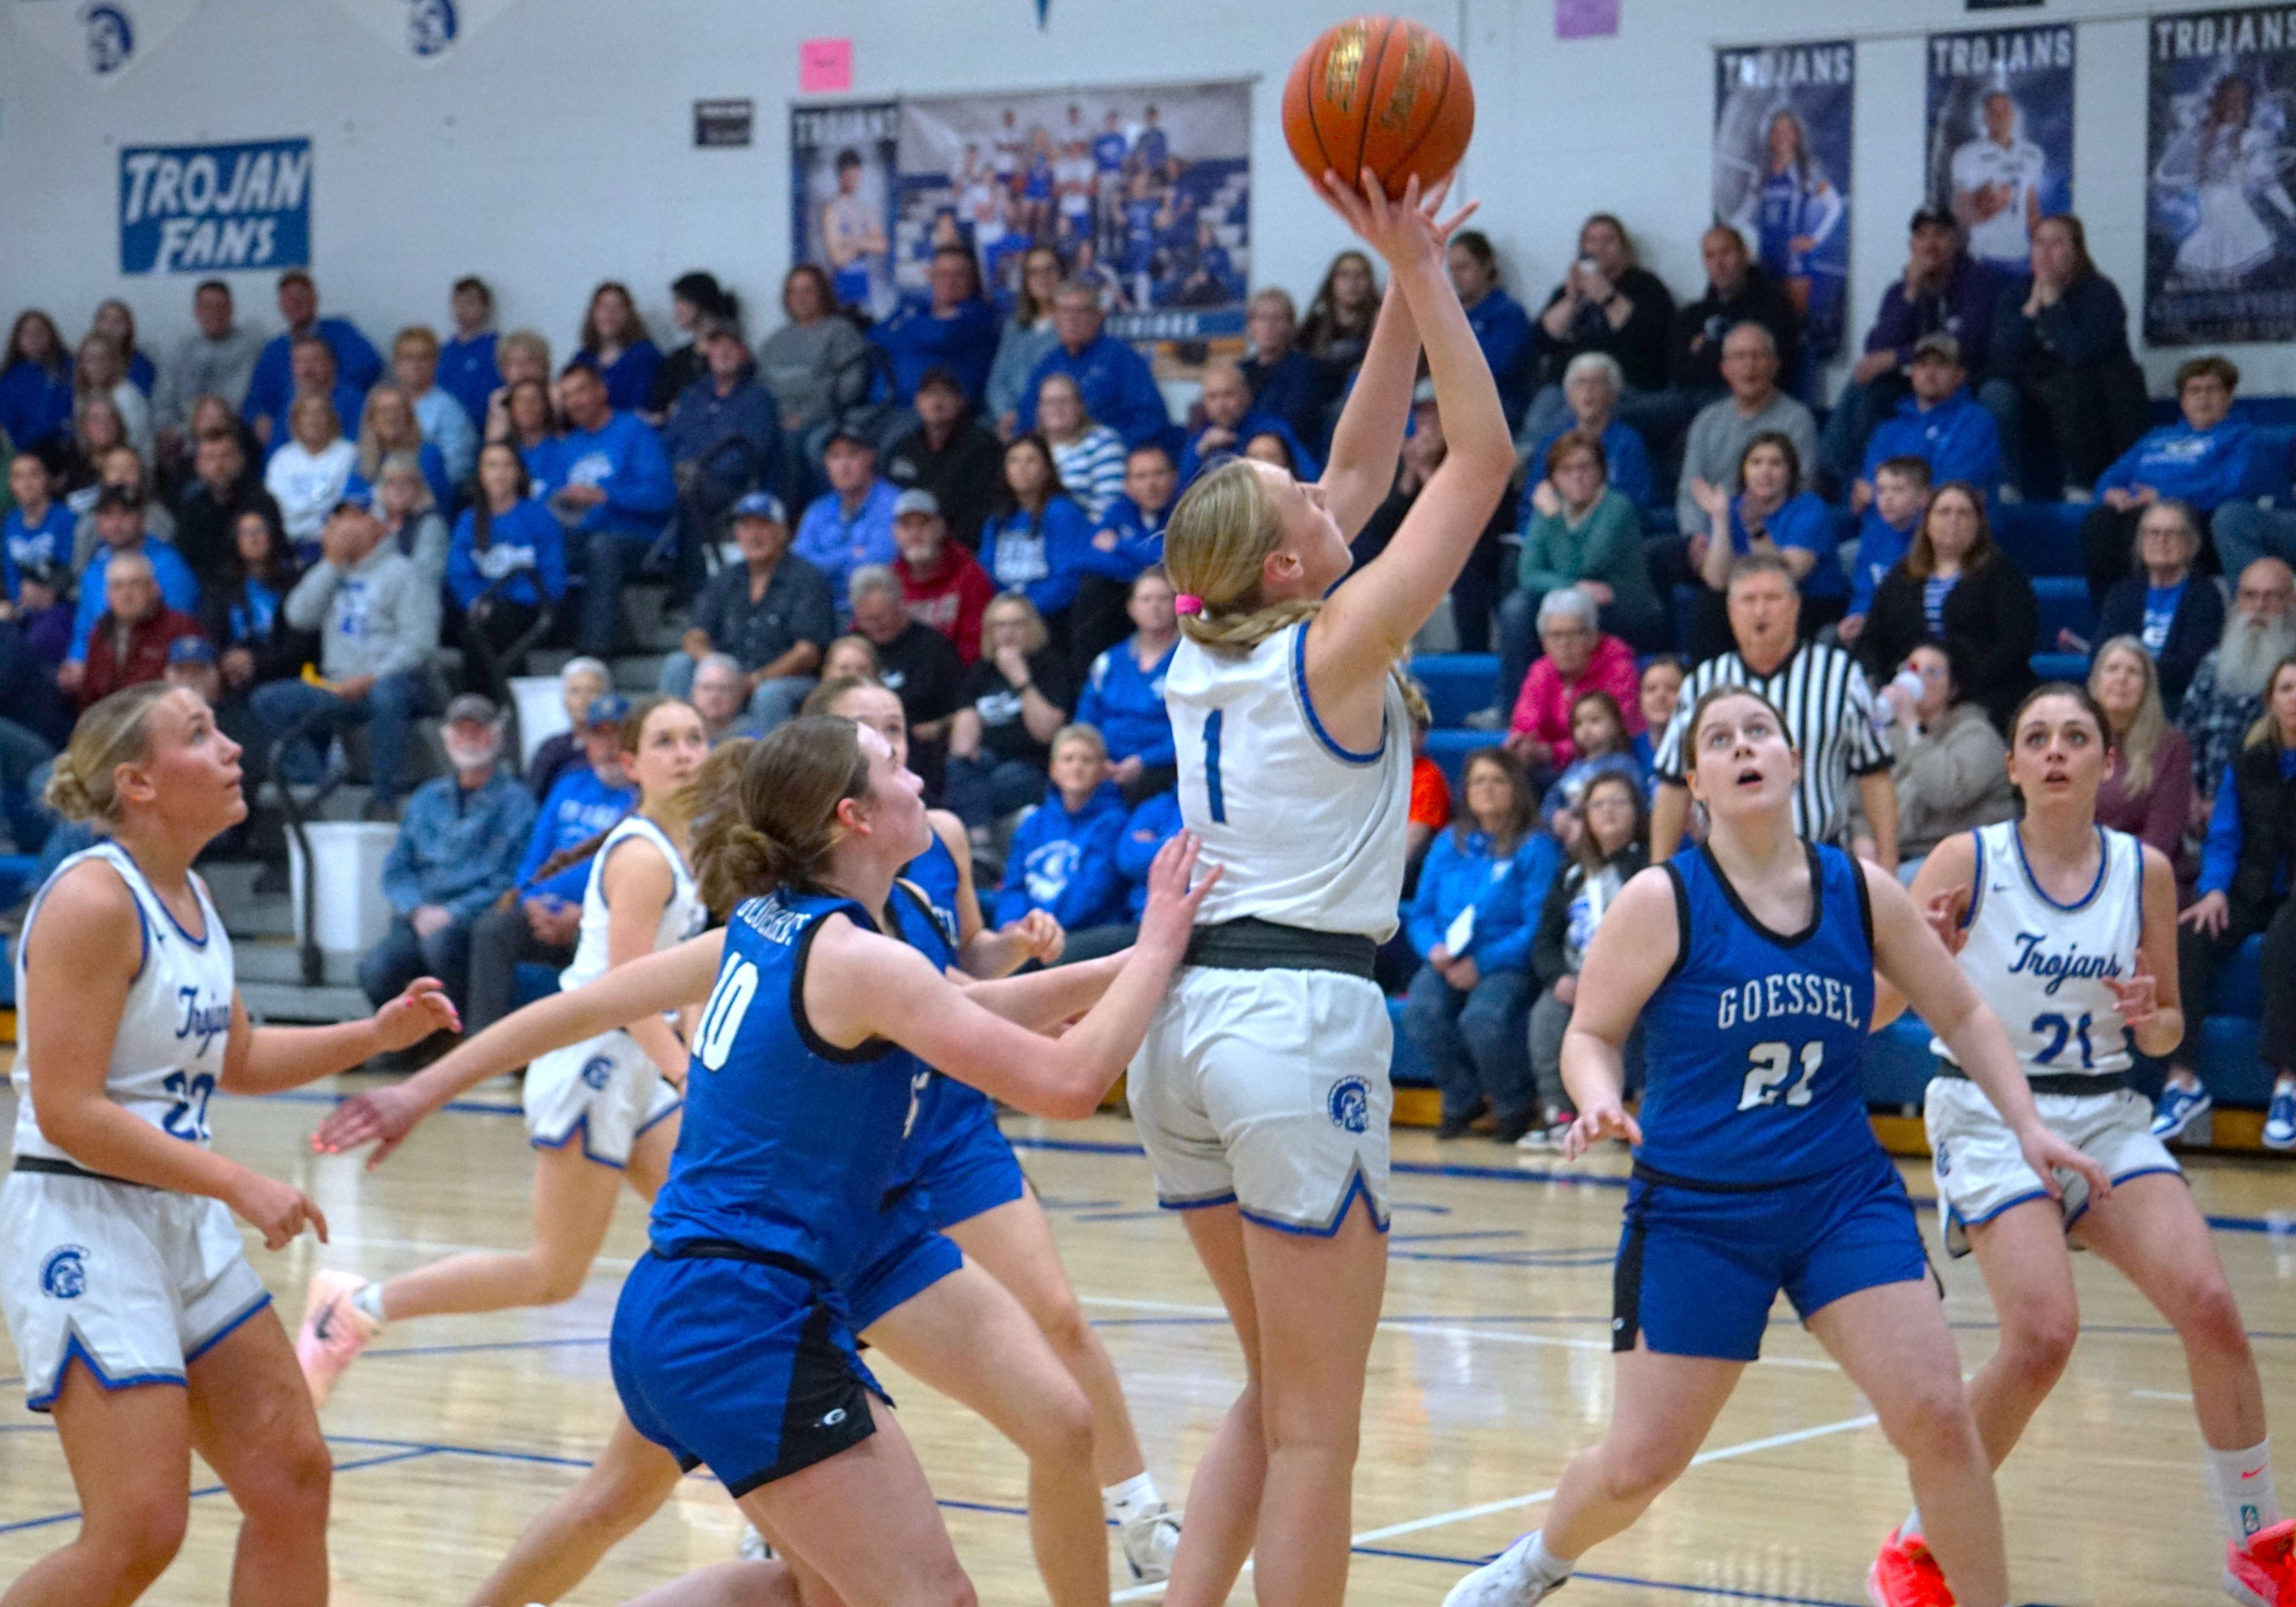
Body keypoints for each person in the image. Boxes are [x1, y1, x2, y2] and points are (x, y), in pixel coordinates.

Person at [311, 711, 1216, 1606]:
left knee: (986, 1471)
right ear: (851, 818)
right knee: (889, 1587)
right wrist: (1163, 942)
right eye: (894, 766)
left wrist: (1142, 960)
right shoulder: (851, 953)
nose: (919, 780)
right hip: (742, 1305)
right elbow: (1066, 1083)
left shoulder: (780, 924)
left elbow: (966, 1004)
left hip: (782, 1270)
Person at [1441, 684, 2110, 1607]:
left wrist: (2028, 1124)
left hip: (1840, 1199)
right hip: (1696, 1213)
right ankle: (1537, 1562)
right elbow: (1589, 1034)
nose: (1744, 745)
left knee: (1937, 1414)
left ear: (1794, 762)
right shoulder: (1661, 898)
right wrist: (1594, 1102)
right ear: (1697, 780)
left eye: (1761, 731)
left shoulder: (1861, 890)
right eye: (1720, 738)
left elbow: (1957, 1006)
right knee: (1638, 1467)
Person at [1135, 169, 1510, 1605]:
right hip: (1294, 1022)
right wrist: (1424, 275)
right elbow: (1470, 464)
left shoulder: (1207, 646)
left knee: (1270, 1387)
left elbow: (1357, 468)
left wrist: (1387, 274)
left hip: (1187, 1031)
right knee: (1316, 1428)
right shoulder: (1330, 645)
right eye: (1303, 492)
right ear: (1289, 558)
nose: (1328, 480)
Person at [0, 683, 455, 1606]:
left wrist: (373, 1035)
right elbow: (67, 1107)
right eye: (199, 735)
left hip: (175, 1216)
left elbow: (235, 1055)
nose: (232, 749)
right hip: (82, 1220)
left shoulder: (192, 892)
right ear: (138, 782)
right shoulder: (93, 899)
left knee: (292, 1478)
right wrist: (236, 1180)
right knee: (139, 1529)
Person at [1876, 681, 2291, 1603]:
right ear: (2014, 765)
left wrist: (2152, 1018)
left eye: (2076, 736)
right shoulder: (1962, 859)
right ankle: (1915, 1546)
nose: (2056, 750)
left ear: (2108, 761)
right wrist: (1923, 958)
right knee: (2041, 1336)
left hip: (2105, 1110)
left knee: (2212, 1303)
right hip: (1988, 1110)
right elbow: (1875, 1011)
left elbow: (2168, 1033)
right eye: (2037, 737)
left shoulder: (2142, 870)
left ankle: (2256, 1545)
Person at [298, 696, 708, 1405]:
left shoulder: (691, 845)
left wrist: (694, 1052)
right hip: (594, 1064)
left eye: (695, 739)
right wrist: (686, 1070)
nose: (684, 753)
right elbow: (630, 986)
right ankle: (358, 1306)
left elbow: (685, 973)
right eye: (666, 741)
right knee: (553, 1273)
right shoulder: (642, 856)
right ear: (632, 765)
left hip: (640, 1066)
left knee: (713, 1229)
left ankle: (711, 1410)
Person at [1651, 555, 1898, 866]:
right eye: (1749, 600)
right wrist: (1659, 871)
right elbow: (1674, 786)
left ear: (1795, 606)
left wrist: (1888, 862)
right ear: (1730, 612)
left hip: (1821, 860)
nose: (1760, 610)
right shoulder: (1701, 684)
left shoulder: (1840, 675)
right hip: (1728, 869)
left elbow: (1875, 774)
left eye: (1772, 598)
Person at [2156, 653, 2296, 1151]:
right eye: (2285, 688)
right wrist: (2214, 889)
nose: (2294, 699)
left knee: (2284, 942)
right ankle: (2182, 1081)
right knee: (2190, 934)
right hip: (2250, 882)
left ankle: (2287, 1084)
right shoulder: (2247, 758)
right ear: (2270, 700)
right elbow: (2223, 835)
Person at [251, 483, 441, 817]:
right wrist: (332, 564)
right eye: (337, 521)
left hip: (397, 681)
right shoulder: (332, 571)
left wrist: (371, 678)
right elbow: (298, 617)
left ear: (378, 525)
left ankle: (386, 799)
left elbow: (419, 644)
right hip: (337, 685)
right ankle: (319, 784)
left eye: (355, 518)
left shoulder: (405, 573)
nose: (341, 527)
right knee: (269, 701)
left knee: (387, 695)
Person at [464, 698, 640, 1040]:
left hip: (597, 919)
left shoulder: (641, 798)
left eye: (615, 736)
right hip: (541, 911)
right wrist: (529, 900)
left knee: (601, 944)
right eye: (597, 737)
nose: (606, 747)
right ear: (586, 742)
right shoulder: (569, 784)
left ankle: (597, 1050)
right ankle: (484, 1049)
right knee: (491, 929)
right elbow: (535, 856)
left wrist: (582, 915)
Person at [358, 694, 535, 1021]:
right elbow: (397, 870)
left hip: (473, 916)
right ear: (447, 738)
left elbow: (511, 878)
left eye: (478, 731)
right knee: (374, 969)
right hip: (419, 915)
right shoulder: (426, 798)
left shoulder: (517, 802)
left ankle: (459, 1034)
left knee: (441, 947)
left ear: (496, 736)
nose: (470, 740)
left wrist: (453, 912)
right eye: (461, 731)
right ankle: (409, 1043)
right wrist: (416, 910)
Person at [1402, 747, 1545, 1143]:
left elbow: (1537, 926)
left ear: (1516, 787)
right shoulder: (1450, 842)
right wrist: (1434, 950)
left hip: (1508, 959)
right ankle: (1463, 1098)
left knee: (1484, 1018)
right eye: (1479, 781)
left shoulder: (1535, 846)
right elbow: (1421, 912)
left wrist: (1482, 964)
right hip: (1448, 956)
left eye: (1498, 780)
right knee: (1422, 1010)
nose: (1488, 789)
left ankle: (1514, 1105)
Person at [1820, 209, 2000, 487]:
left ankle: (2006, 486)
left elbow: (1967, 344)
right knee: (1863, 386)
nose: (1930, 245)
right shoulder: (1899, 291)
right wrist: (1910, 293)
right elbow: (1877, 351)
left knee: (1998, 395)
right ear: (1912, 245)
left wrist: (1899, 356)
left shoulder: (1979, 281)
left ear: (1957, 243)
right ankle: (1828, 481)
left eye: (1940, 235)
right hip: (1914, 384)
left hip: (1967, 378)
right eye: (1922, 236)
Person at [1982, 214, 2149, 499]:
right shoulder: (2017, 293)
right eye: (2038, 244)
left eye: (2056, 244)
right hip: (2035, 394)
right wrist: (2032, 309)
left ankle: (2081, 483)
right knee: (1994, 392)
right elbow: (2002, 358)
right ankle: (2007, 485)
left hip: (2092, 393)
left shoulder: (2100, 293)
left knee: (2074, 383)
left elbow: (2078, 352)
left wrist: (2054, 308)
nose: (2045, 253)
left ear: (2077, 252)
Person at [1523, 768, 1648, 1147]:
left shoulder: (1650, 868)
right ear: (1586, 817)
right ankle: (1560, 1114)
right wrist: (1558, 977)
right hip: (1576, 979)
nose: (1608, 812)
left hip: (1630, 981)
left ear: (1637, 812)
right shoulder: (1572, 873)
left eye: (1618, 803)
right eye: (1598, 805)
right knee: (1546, 1017)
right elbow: (1545, 940)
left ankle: (1628, 1110)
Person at [1855, 481, 2039, 736]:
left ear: (1979, 524)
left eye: (1964, 513)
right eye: (1944, 512)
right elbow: (1871, 641)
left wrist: (1955, 688)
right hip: (1906, 691)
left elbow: (2015, 644)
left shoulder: (2004, 575)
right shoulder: (1900, 577)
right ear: (1927, 522)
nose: (1954, 520)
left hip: (1984, 694)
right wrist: (1884, 682)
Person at [1352, 388, 1518, 660]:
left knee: (1467, 574)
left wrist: (1428, 474)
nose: (1428, 424)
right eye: (1423, 415)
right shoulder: (1402, 457)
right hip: (1412, 550)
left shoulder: (1478, 456)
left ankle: (1471, 655)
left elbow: (1461, 522)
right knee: (1362, 548)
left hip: (1472, 550)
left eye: (1436, 414)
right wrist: (1409, 476)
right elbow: (1383, 524)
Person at [2082, 356, 2255, 611]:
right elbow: (2112, 476)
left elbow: (2230, 486)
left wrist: (2165, 496)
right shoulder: (2158, 436)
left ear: (2230, 396)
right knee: (2097, 525)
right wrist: (2111, 493)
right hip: (2138, 508)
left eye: (2213, 390)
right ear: (2183, 401)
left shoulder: (2241, 435)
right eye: (2194, 391)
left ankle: (2146, 619)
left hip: (2196, 517)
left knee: (2144, 527)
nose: (2203, 398)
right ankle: (2112, 623)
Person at [533, 360, 676, 657]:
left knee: (602, 548)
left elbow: (662, 496)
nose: (575, 401)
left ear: (602, 391)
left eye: (582, 391)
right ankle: (539, 642)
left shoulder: (635, 431)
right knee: (538, 543)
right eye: (568, 395)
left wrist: (603, 495)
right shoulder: (569, 445)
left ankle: (594, 651)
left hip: (640, 538)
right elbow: (551, 499)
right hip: (582, 534)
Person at [664, 490, 834, 732]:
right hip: (728, 676)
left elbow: (807, 653)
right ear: (737, 534)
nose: (754, 536)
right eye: (746, 527)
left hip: (781, 680)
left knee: (770, 695)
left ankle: (766, 766)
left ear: (783, 531)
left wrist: (755, 680)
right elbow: (694, 637)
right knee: (679, 664)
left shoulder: (807, 579)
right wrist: (719, 671)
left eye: (763, 526)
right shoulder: (726, 578)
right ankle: (673, 738)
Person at [1631, 224, 1800, 455]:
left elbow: (1772, 369)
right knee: (1622, 416)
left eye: (1726, 253)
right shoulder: (1694, 313)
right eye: (1710, 256)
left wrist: (1704, 351)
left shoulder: (1772, 306)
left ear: (1744, 255)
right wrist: (1719, 355)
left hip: (1739, 399)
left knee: (1689, 441)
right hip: (1688, 396)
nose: (1719, 264)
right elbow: (1677, 369)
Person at [1858, 640, 2014, 880]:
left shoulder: (1978, 735)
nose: (1917, 678)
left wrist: (1912, 726)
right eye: (1911, 669)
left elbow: (1946, 794)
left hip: (1958, 858)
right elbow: (1859, 795)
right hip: (1899, 852)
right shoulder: (1893, 734)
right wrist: (1864, 837)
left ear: (1954, 688)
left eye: (1932, 672)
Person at [1525, 213, 1675, 445]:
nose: (1599, 248)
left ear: (1624, 248)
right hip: (1567, 383)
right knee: (1539, 416)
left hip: (1623, 386)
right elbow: (1542, 339)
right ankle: (1526, 466)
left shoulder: (1646, 286)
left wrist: (1607, 297)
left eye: (1609, 241)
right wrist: (1571, 300)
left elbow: (1648, 339)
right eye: (1591, 241)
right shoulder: (1567, 291)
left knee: (1568, 420)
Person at [1689, 429, 1846, 646]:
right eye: (1756, 463)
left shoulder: (1810, 509)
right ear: (1744, 471)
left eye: (1776, 464)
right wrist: (1720, 520)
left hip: (1812, 602)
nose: (1765, 472)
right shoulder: (1732, 508)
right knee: (1709, 606)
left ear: (1790, 472)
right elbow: (1717, 580)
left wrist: (1756, 530)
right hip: (1757, 598)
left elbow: (1787, 575)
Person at [1672, 322, 1818, 542]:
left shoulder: (1797, 420)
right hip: (1712, 534)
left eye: (1757, 356)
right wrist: (1697, 537)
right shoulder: (1706, 421)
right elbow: (1690, 491)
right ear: (1725, 369)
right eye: (1739, 357)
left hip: (1771, 535)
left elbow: (1801, 488)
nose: (1749, 366)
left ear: (1775, 365)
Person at [662, 319, 785, 576]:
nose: (724, 352)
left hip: (735, 486)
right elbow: (672, 442)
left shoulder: (758, 398)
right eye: (716, 345)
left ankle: (691, 592)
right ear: (707, 352)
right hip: (687, 480)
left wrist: (700, 470)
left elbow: (751, 455)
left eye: (732, 345)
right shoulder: (693, 396)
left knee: (692, 495)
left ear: (743, 353)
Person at [945, 590, 1075, 828]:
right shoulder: (980, 672)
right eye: (1000, 625)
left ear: (1032, 628)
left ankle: (978, 838)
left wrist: (1020, 679)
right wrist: (969, 721)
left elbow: (1046, 733)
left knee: (996, 784)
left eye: (1017, 624)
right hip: (987, 761)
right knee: (958, 770)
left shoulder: (1050, 666)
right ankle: (980, 840)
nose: (1008, 632)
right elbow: (961, 748)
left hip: (1033, 762)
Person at [448, 440, 567, 693]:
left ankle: (506, 705)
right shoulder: (469, 520)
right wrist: (478, 601)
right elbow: (459, 574)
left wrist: (502, 600)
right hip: (482, 608)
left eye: (507, 465)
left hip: (531, 606)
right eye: (492, 466)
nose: (499, 473)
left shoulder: (540, 517)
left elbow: (553, 577)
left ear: (518, 473)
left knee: (495, 625)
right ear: (480, 473)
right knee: (473, 628)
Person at [2183, 557, 2296, 808]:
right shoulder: (2212, 665)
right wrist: (2193, 800)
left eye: (2272, 597)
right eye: (2250, 596)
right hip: (2205, 811)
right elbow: (2187, 739)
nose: (2259, 607)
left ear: (2292, 603)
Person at [2096, 501, 2228, 715]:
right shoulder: (2123, 593)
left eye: (2172, 534)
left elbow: (2192, 666)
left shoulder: (2205, 596)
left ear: (2192, 544)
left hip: (2175, 704)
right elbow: (2102, 653)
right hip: (2120, 700)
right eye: (2153, 533)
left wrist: (2133, 674)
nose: (2161, 541)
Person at [2090, 636, 2198, 893]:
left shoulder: (2172, 747)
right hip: (2074, 876)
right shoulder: (2074, 742)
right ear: (2096, 681)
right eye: (2112, 669)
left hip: (2145, 882)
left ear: (2147, 688)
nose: (2122, 679)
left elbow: (2160, 842)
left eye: (2133, 672)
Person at [59, 486, 201, 678]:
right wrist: (77, 662)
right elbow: (84, 630)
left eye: (125, 514)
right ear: (98, 523)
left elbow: (179, 629)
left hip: (156, 668)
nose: (116, 524)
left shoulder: (168, 564)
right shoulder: (94, 569)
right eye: (108, 515)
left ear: (141, 518)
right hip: (106, 664)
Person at [847, 565, 966, 791]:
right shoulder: (854, 648)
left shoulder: (933, 647)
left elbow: (961, 710)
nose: (875, 625)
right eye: (866, 619)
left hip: (922, 748)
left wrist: (938, 728)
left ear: (900, 605)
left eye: (881, 616)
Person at [1504, 586, 1644, 778]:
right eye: (1555, 636)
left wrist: (1552, 753)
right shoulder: (1541, 670)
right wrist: (1523, 743)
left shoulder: (1619, 670)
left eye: (1573, 634)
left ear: (1593, 638)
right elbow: (1526, 722)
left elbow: (1613, 734)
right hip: (1550, 766)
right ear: (1544, 643)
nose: (1564, 644)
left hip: (1607, 766)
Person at [1852, 332, 2002, 508]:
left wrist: (1887, 498)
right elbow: (1864, 497)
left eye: (1940, 365)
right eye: (1923, 365)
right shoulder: (1888, 431)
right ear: (1912, 374)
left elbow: (1953, 495)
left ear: (1960, 375)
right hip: (1883, 535)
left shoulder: (1976, 424)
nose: (1930, 373)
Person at [1017, 282, 1171, 449]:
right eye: (1064, 311)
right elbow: (1027, 421)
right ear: (1055, 317)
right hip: (1056, 462)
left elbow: (1151, 418)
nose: (1071, 318)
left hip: (1110, 458)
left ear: (1098, 316)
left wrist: (1107, 448)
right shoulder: (1047, 365)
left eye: (1080, 311)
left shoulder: (1122, 359)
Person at [1076, 566, 1179, 804]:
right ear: (1131, 608)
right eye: (1146, 599)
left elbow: (1196, 727)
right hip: (1105, 766)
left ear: (1176, 605)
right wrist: (1095, 759)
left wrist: (1144, 761)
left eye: (1163, 599)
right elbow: (1086, 718)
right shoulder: (1109, 661)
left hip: (1163, 769)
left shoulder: (1190, 660)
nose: (1155, 607)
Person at [980, 432, 1094, 638]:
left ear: (1048, 469)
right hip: (1005, 617)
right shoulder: (996, 521)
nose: (1022, 468)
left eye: (1031, 460)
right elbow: (986, 573)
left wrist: (1024, 611)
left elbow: (1067, 578)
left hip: (1052, 621)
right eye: (1014, 461)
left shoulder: (1062, 511)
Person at [882, 366, 1005, 551]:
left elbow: (985, 508)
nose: (937, 403)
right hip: (906, 547)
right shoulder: (902, 451)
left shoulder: (984, 448)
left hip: (964, 549)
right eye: (930, 394)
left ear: (960, 402)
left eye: (946, 394)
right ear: (918, 402)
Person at [71, 549, 205, 710]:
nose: (126, 594)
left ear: (154, 588)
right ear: (107, 594)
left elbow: (197, 697)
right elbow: (89, 701)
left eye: (135, 584)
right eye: (117, 587)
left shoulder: (182, 629)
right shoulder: (99, 636)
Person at [790, 426, 900, 622]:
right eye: (835, 457)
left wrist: (826, 562)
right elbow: (799, 567)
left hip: (877, 614)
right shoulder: (818, 510)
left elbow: (880, 566)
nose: (844, 465)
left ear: (870, 458)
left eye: (852, 454)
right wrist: (853, 554)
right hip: (821, 612)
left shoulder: (894, 503)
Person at [757, 263, 871, 450]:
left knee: (793, 442)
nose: (800, 298)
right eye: (793, 292)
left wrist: (808, 416)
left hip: (825, 419)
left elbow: (852, 385)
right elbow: (761, 388)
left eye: (808, 291)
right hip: (777, 421)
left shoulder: (841, 331)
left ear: (823, 294)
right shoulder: (774, 342)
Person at [204, 504, 309, 704]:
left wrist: (256, 663)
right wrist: (226, 662)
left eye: (260, 531)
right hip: (231, 678)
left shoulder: (295, 584)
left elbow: (300, 647)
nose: (253, 539)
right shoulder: (221, 587)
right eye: (245, 533)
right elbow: (213, 634)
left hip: (283, 679)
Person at [1528, 352, 1654, 511]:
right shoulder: (1551, 444)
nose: (1588, 391)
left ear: (1614, 394)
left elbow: (1635, 506)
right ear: (1569, 396)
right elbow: (1530, 507)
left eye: (1598, 383)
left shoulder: (1629, 443)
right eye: (1580, 383)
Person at [875, 245, 1000, 407]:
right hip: (882, 407)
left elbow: (940, 336)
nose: (949, 281)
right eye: (942, 274)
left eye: (959, 275)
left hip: (940, 415)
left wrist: (901, 330)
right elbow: (875, 337)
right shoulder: (915, 308)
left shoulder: (979, 315)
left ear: (974, 280)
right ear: (931, 277)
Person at [154, 281, 263, 457]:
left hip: (236, 438)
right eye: (207, 307)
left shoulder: (252, 347)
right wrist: (168, 429)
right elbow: (162, 402)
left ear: (231, 309)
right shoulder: (181, 351)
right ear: (196, 311)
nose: (214, 313)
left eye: (221, 306)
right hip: (186, 441)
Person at [1445, 229, 1535, 435]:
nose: (1456, 277)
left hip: (1500, 407)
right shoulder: (1448, 314)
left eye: (1464, 267)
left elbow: (1494, 368)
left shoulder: (1509, 313)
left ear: (1486, 266)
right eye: (1452, 270)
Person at [891, 487, 995, 664]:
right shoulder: (889, 582)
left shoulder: (971, 576)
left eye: (923, 524)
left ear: (941, 528)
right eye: (907, 527)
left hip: (957, 678)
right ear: (895, 533)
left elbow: (976, 646)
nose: (915, 535)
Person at [1841, 455, 1931, 649]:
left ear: (1923, 497)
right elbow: (1864, 590)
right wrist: (1856, 617)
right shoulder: (1874, 533)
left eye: (1898, 490)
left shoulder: (1932, 537)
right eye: (1881, 491)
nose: (1888, 498)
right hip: (1876, 627)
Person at [172, 426, 281, 586]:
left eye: (225, 456)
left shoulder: (262, 502)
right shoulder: (192, 508)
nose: (219, 466)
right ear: (198, 465)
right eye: (210, 459)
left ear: (240, 459)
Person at [1239, 288, 1337, 459]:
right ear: (1251, 326)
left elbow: (1291, 422)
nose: (1270, 326)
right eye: (1262, 318)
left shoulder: (1306, 370)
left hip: (1289, 457)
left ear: (1292, 326)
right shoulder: (1240, 371)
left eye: (1278, 319)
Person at [985, 245, 1068, 438]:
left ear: (1063, 275)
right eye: (1034, 272)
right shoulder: (1015, 328)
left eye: (1050, 269)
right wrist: (1006, 412)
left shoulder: (1073, 326)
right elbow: (997, 382)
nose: (1043, 277)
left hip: (1058, 423)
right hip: (1013, 425)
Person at [263, 394, 358, 548]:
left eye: (320, 413)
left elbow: (344, 503)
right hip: (286, 542)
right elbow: (275, 503)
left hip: (333, 541)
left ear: (331, 418)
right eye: (306, 414)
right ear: (296, 421)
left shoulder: (349, 455)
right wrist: (316, 507)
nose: (313, 420)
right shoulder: (282, 459)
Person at [391, 325, 479, 488]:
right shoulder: (385, 404)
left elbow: (458, 470)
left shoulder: (449, 409)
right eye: (408, 358)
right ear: (397, 364)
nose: (415, 365)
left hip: (430, 495)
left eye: (423, 358)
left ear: (436, 363)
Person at [1038, 372, 1129, 519]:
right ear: (1039, 409)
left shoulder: (1103, 441)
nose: (1057, 408)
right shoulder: (1031, 448)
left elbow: (1109, 505)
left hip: (1084, 535)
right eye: (1049, 402)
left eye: (1064, 401)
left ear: (1080, 405)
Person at [647, 270, 735, 420]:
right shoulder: (678, 359)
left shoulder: (732, 352)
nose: (677, 310)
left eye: (683, 301)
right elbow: (659, 405)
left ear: (701, 301)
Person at [524, 656, 611, 804]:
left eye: (592, 691)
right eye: (575, 692)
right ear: (564, 701)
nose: (584, 699)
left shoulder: (617, 748)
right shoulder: (551, 749)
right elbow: (531, 800)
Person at [576, 281, 663, 416]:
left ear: (629, 315)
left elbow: (643, 411)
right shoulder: (583, 360)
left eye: (618, 307)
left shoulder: (645, 356)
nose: (609, 314)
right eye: (603, 307)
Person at [0, 309, 76, 453]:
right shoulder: (7, 382)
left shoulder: (71, 368)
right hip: (33, 451)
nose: (35, 337)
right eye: (27, 333)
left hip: (75, 446)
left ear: (52, 335)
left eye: (40, 332)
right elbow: (15, 432)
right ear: (17, 339)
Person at [3, 449, 73, 602]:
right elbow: (10, 574)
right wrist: (18, 604)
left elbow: (69, 569)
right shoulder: (10, 523)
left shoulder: (66, 518)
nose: (27, 484)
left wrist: (45, 595)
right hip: (22, 607)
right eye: (19, 477)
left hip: (60, 604)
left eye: (34, 475)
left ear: (47, 479)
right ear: (11, 485)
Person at [1299, 248, 1381, 378]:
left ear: (1370, 283)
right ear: (1332, 282)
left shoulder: (1380, 323)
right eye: (1344, 275)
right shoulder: (1313, 325)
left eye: (1360, 275)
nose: (1352, 283)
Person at [374, 451, 449, 591]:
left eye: (406, 483)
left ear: (419, 489)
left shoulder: (431, 524)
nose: (398, 490)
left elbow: (425, 578)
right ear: (382, 490)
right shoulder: (374, 522)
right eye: (391, 483)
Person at [439, 276, 504, 432]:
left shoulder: (498, 347)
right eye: (458, 303)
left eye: (469, 303)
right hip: (446, 433)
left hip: (483, 431)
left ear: (486, 307)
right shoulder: (445, 351)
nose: (462, 309)